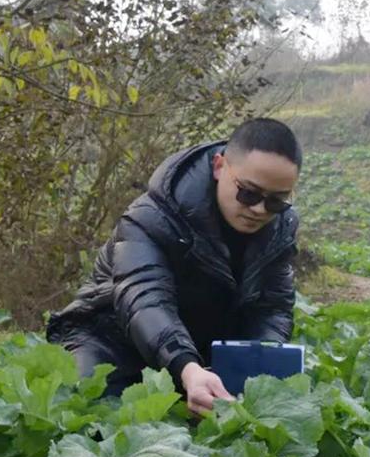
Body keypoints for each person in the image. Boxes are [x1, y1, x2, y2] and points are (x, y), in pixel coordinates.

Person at [46, 118, 301, 415]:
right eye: (249, 193)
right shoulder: (150, 218)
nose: (259, 209)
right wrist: (186, 367)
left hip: (199, 350)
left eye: (276, 202)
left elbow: (272, 308)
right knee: (89, 412)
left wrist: (261, 368)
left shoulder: (280, 232)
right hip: (112, 338)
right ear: (220, 167)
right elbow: (145, 299)